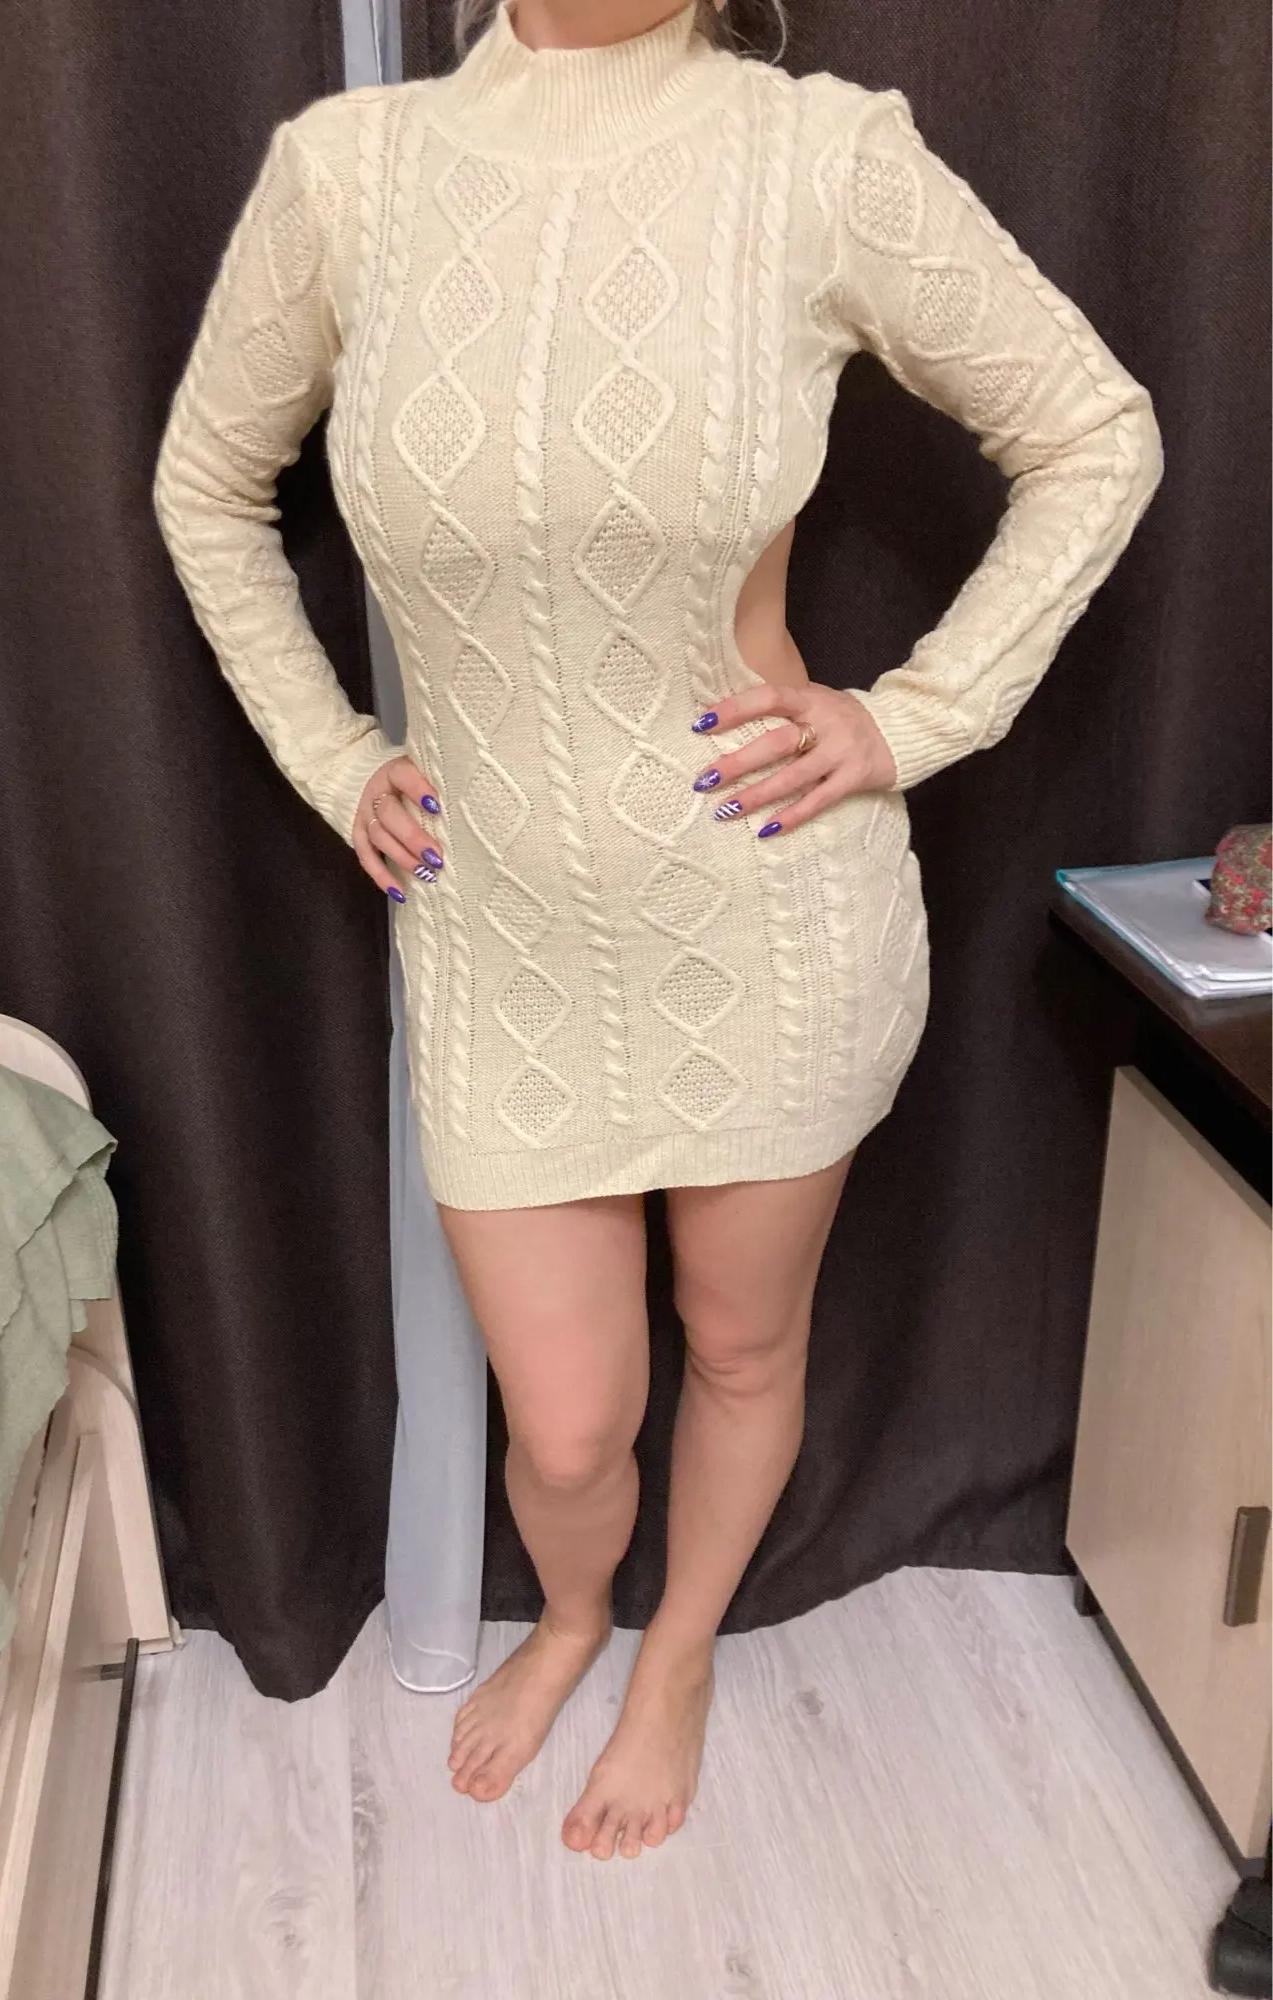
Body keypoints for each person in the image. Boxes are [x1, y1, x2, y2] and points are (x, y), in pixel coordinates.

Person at [153, 0, 1162, 1863]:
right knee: (561, 1426)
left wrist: (913, 717)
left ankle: (674, 1648)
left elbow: (1093, 432)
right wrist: (330, 753)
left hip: (762, 911)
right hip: (497, 938)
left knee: (741, 1348)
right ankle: (568, 1615)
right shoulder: (348, 177)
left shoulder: (819, 158)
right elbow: (204, 486)